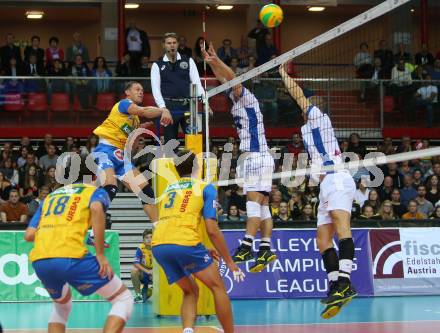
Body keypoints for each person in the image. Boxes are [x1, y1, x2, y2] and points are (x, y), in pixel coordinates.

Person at [279, 62, 357, 319]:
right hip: (326, 186)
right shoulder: (306, 131)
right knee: (322, 241)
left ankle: (345, 283)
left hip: (338, 180)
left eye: (308, 105)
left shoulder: (319, 118)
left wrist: (283, 74)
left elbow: (299, 96)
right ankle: (335, 284)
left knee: (341, 227)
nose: (303, 108)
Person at [24, 158, 133, 333]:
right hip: (70, 256)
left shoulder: (49, 198)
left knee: (62, 306)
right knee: (123, 298)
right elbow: (97, 209)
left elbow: (29, 235)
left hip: (41, 261)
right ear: (91, 174)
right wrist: (100, 254)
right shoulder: (93, 192)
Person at [202, 42, 277, 273]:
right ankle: (265, 249)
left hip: (256, 156)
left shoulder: (246, 97)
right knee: (263, 206)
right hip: (257, 157)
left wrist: (218, 61)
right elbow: (225, 79)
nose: (228, 88)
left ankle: (246, 245)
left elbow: (232, 79)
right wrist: (212, 62)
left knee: (254, 203)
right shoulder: (235, 100)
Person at [152, 150, 244, 333]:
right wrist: (230, 261)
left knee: (191, 290)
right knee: (218, 287)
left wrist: (202, 248)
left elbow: (178, 220)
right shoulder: (205, 187)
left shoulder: (169, 189)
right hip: (184, 243)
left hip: (159, 245)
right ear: (197, 166)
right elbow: (212, 229)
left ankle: (188, 330)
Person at [92, 80, 172, 229]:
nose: (141, 92)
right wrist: (163, 110)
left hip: (121, 156)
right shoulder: (124, 104)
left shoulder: (134, 120)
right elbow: (143, 111)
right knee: (110, 187)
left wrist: (140, 129)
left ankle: (159, 228)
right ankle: (90, 226)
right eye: (137, 89)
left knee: (146, 191)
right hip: (105, 150)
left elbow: (131, 143)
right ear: (128, 92)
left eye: (142, 90)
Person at [151, 33, 206, 144]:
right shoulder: (157, 64)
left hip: (189, 106)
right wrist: (163, 108)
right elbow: (155, 89)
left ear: (178, 44)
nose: (172, 45)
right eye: (169, 43)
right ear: (163, 45)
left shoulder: (188, 61)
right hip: (169, 108)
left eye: (174, 43)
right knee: (170, 144)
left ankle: (193, 161)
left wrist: (205, 102)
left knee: (194, 143)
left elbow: (196, 83)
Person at [131, 229, 153, 303]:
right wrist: (148, 271)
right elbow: (135, 262)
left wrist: (154, 272)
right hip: (145, 273)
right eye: (146, 238)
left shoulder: (157, 248)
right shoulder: (140, 248)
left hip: (155, 274)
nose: (149, 239)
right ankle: (138, 295)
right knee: (134, 270)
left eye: (151, 237)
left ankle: (151, 289)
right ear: (143, 240)